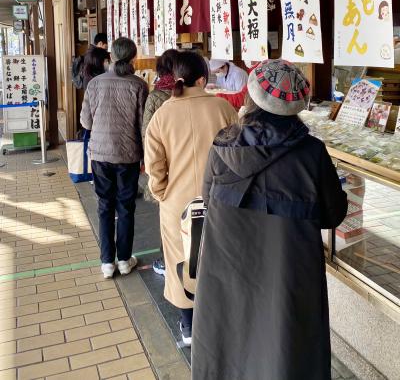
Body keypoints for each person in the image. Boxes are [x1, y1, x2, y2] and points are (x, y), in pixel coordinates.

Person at [192, 59, 348, 380]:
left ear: (250, 98)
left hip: (227, 266)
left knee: (229, 342)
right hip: (289, 271)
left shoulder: (223, 145)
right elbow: (333, 214)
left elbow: (208, 199)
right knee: (287, 348)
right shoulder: (312, 152)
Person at [144, 51, 237, 346]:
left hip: (177, 203)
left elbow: (154, 165)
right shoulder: (223, 109)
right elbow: (238, 155)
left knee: (182, 261)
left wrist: (161, 194)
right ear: (202, 78)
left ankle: (188, 328)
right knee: (220, 258)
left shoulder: (162, 115)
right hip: (221, 198)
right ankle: (220, 323)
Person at [81, 37, 148, 279]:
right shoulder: (139, 85)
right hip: (127, 155)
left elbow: (85, 121)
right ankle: (124, 260)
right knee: (126, 207)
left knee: (104, 206)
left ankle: (107, 262)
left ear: (111, 56)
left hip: (99, 153)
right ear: (133, 58)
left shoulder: (95, 84)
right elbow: (143, 126)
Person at [141, 48, 180, 276]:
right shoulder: (188, 91)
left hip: (164, 161)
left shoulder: (156, 95)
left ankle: (167, 260)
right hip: (187, 159)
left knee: (166, 213)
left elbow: (147, 132)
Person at [216, 42, 272, 110]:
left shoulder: (259, 73)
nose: (245, 57)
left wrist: (217, 97)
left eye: (247, 53)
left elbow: (243, 98)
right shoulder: (269, 67)